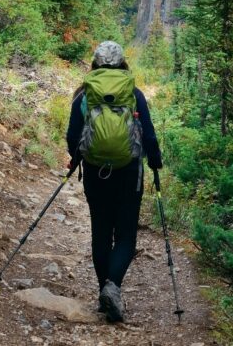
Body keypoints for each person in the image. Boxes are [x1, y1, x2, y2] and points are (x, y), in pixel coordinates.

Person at [66, 40, 162, 323]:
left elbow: (73, 137)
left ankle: (104, 293)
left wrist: (76, 159)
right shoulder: (134, 94)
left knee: (101, 233)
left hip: (96, 173)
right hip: (129, 172)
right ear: (123, 64)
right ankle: (113, 287)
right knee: (126, 236)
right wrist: (155, 162)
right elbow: (149, 134)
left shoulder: (84, 95)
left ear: (94, 63)